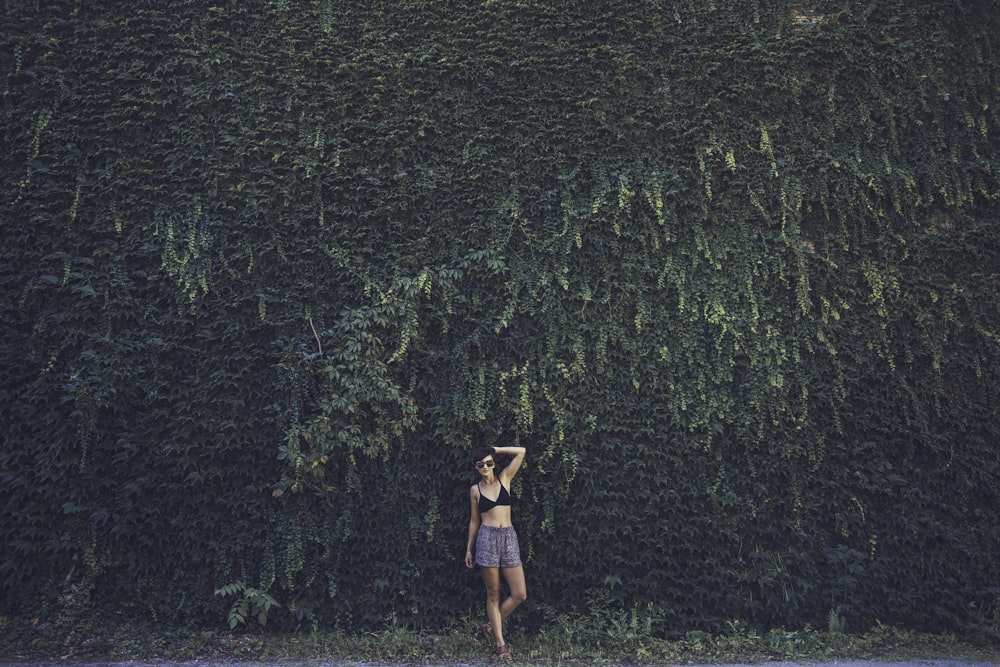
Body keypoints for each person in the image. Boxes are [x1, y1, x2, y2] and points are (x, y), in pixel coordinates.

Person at [465, 444, 527, 661]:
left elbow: (521, 452)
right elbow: (474, 521)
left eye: (489, 463)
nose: (486, 467)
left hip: (508, 537)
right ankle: (501, 644)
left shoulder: (505, 479)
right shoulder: (475, 490)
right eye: (481, 464)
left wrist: (496, 449)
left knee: (519, 593)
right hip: (487, 539)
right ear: (476, 467)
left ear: (494, 464)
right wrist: (468, 549)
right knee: (493, 593)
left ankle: (490, 626)